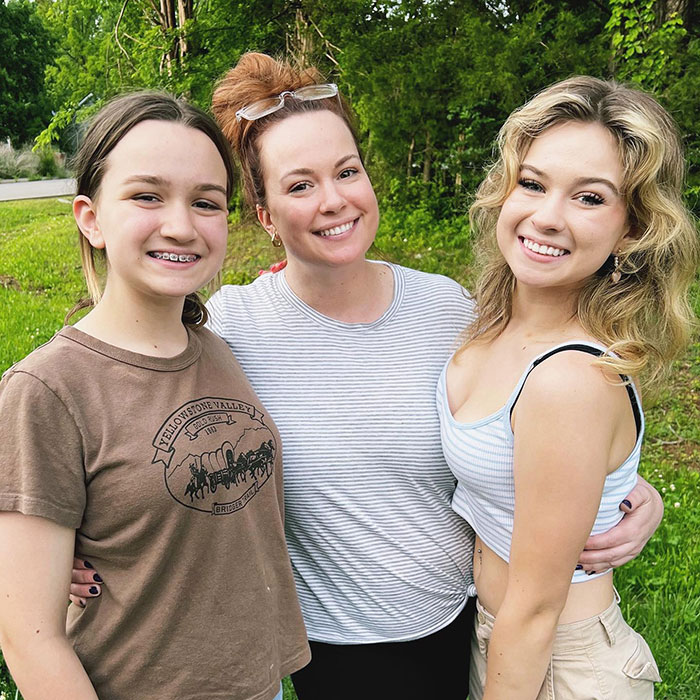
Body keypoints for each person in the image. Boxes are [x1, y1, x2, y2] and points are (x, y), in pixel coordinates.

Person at [70, 56, 664, 700]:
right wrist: (70, 534)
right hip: (322, 642)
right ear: (265, 216)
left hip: (460, 621)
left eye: (346, 172)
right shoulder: (228, 327)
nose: (333, 200)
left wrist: (630, 492)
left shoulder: (450, 311)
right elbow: (107, 381)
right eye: (298, 186)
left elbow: (531, 427)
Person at [0, 91, 310, 700]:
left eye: (205, 202)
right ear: (90, 218)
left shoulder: (217, 350)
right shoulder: (47, 391)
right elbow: (27, 635)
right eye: (147, 196)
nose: (181, 225)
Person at [438, 76, 698, 699]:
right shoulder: (489, 323)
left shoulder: (569, 381)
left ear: (632, 229)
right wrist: (629, 488)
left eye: (589, 198)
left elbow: (533, 609)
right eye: (533, 183)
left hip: (556, 662)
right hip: (500, 638)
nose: (547, 217)